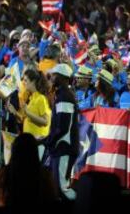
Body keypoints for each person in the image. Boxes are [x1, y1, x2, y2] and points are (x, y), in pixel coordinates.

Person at [0, 133, 58, 212]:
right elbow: (51, 198)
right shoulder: (44, 175)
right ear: (35, 151)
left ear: (14, 150)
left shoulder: (2, 174)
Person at [44, 63, 79, 200]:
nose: (51, 77)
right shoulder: (62, 94)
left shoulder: (64, 96)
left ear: (62, 77)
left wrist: (49, 141)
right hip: (61, 147)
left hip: (64, 147)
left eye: (54, 75)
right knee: (57, 188)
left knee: (62, 188)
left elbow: (64, 127)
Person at [7, 69, 51, 158]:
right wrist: (14, 112)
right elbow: (25, 119)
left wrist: (27, 112)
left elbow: (45, 121)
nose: (23, 82)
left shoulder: (41, 98)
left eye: (26, 80)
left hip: (38, 142)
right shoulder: (31, 98)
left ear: (33, 81)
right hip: (30, 142)